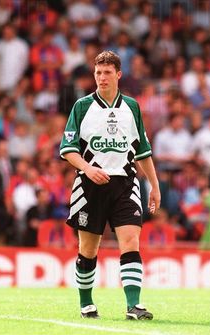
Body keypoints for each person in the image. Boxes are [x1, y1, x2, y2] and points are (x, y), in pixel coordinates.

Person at [59, 51, 161, 320]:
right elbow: (68, 149)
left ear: (118, 74)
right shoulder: (82, 107)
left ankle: (134, 306)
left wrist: (155, 185)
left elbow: (143, 150)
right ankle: (86, 303)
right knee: (88, 249)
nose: (101, 78)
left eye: (107, 73)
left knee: (131, 241)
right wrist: (88, 168)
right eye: (98, 73)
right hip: (89, 186)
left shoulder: (132, 107)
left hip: (125, 184)